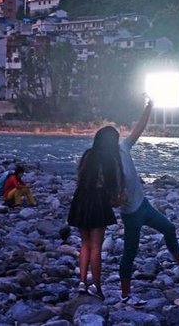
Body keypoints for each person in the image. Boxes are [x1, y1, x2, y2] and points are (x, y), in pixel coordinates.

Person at [118, 96, 179, 307]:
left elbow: (138, 128)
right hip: (130, 214)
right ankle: (125, 295)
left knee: (169, 227)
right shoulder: (107, 166)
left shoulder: (124, 147)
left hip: (144, 205)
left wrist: (149, 107)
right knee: (130, 252)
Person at [67, 125, 125, 300]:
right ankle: (97, 287)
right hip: (98, 201)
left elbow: (80, 177)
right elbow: (113, 186)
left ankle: (82, 283)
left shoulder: (88, 155)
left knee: (84, 244)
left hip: (81, 199)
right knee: (96, 247)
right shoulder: (109, 159)